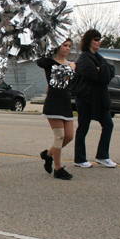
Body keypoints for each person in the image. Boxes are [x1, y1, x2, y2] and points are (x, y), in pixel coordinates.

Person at [72, 29, 116, 168]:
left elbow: (111, 71)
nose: (99, 41)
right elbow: (93, 75)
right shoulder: (84, 58)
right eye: (96, 39)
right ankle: (79, 159)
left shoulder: (98, 57)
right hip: (86, 99)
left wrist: (101, 69)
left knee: (108, 125)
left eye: (100, 39)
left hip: (101, 99)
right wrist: (102, 71)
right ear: (89, 41)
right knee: (83, 128)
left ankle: (103, 156)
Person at [37, 40, 76, 180]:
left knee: (69, 136)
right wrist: (47, 47)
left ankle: (48, 155)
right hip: (53, 102)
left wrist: (72, 67)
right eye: (65, 45)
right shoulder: (49, 62)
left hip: (66, 103)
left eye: (70, 46)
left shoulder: (71, 64)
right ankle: (58, 168)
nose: (68, 48)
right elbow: (39, 61)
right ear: (57, 46)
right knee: (59, 136)